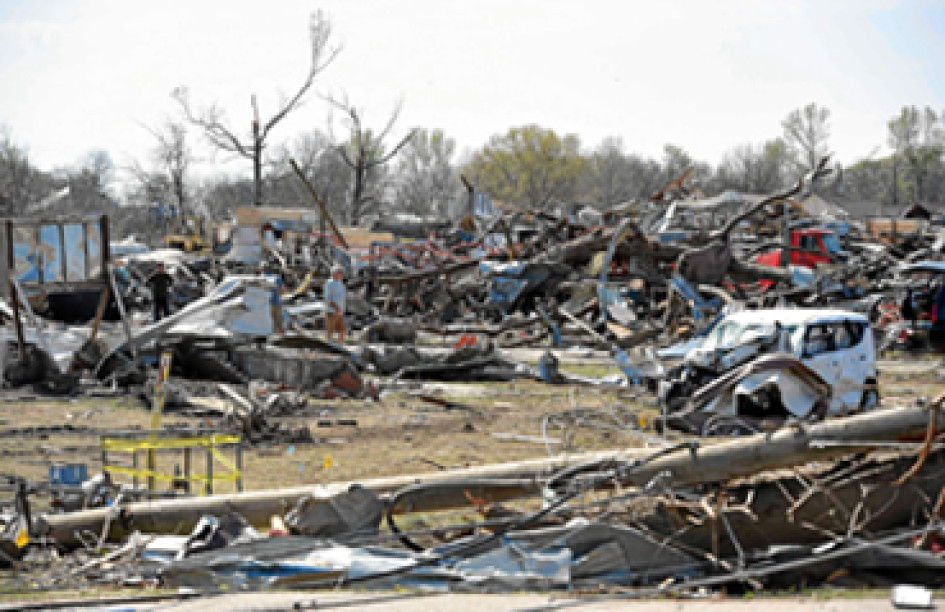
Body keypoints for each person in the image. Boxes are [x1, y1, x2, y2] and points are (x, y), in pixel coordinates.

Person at [324, 265, 347, 344]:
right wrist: (335, 307)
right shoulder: (329, 283)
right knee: (330, 330)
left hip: (340, 311)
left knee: (342, 330)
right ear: (334, 273)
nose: (341, 274)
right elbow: (327, 298)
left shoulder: (340, 283)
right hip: (332, 311)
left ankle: (340, 345)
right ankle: (329, 345)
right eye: (339, 272)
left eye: (341, 272)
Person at [265, 266, 286, 335]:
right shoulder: (276, 278)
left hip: (268, 304)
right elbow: (283, 290)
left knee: (271, 320)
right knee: (279, 320)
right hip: (277, 302)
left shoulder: (262, 278)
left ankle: (272, 334)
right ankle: (280, 333)